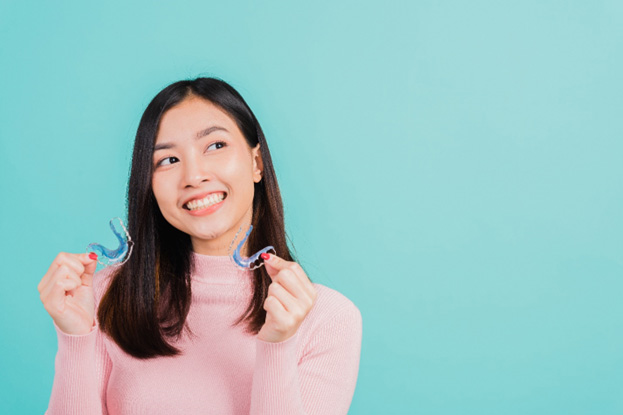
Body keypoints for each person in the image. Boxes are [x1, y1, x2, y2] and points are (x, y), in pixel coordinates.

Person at [38, 76, 362, 414]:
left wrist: (278, 346)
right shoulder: (105, 297)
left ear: (256, 163)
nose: (193, 176)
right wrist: (75, 338)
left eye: (215, 146)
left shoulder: (327, 319)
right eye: (168, 160)